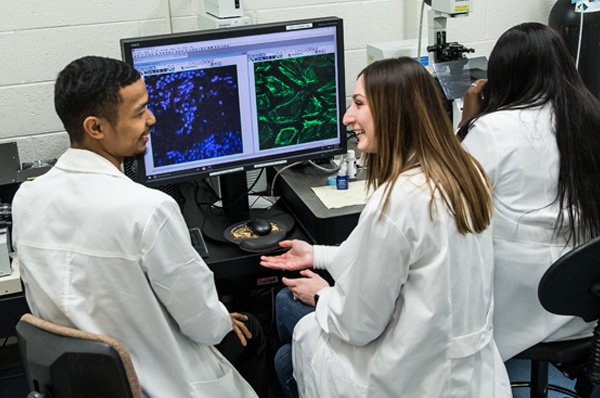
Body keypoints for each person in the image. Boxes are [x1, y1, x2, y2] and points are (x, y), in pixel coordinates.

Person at [11, 56, 268, 398]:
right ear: (96, 128)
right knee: (250, 328)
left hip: (85, 382)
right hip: (161, 385)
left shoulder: (26, 198)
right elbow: (204, 325)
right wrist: (221, 318)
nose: (152, 119)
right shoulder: (148, 209)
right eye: (139, 113)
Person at [261, 57, 512, 397]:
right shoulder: (466, 171)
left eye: (359, 104)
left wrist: (321, 295)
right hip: (463, 368)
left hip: (408, 377)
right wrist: (317, 254)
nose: (348, 117)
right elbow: (390, 258)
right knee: (291, 336)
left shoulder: (398, 201)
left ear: (395, 111)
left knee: (283, 347)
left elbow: (357, 326)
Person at [457, 22, 600, 361]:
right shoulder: (591, 116)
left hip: (523, 302)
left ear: (502, 76)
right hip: (584, 301)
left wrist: (467, 122)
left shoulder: (492, 129)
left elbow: (445, 194)